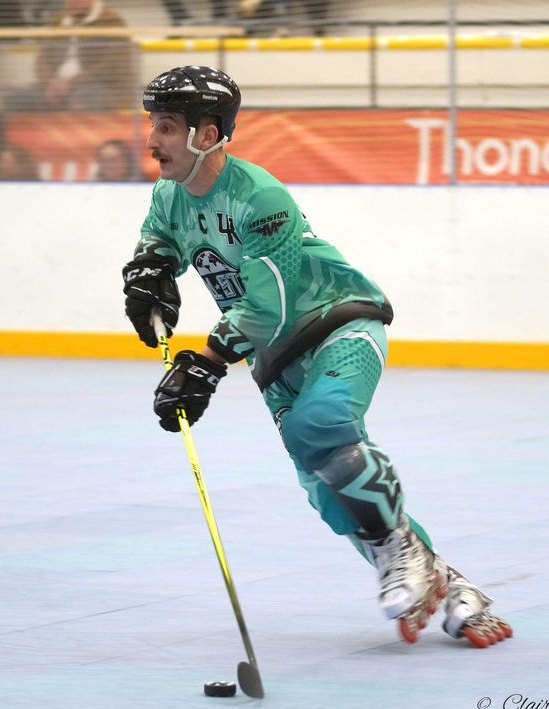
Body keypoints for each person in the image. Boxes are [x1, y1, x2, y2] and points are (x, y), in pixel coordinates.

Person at [121, 67, 512, 648]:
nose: (152, 140)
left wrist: (204, 362)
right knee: (329, 491)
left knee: (321, 426)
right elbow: (162, 240)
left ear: (207, 134)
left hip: (337, 325)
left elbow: (268, 308)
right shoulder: (168, 195)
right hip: (274, 363)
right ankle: (448, 582)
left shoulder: (261, 198)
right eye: (153, 124)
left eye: (168, 127)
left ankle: (403, 552)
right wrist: (149, 273)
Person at [5, 0, 136, 112]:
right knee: (15, 99)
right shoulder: (58, 20)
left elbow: (112, 65)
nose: (72, 2)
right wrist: (50, 83)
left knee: (84, 99)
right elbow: (42, 60)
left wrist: (71, 83)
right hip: (56, 87)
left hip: (94, 87)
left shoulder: (112, 20)